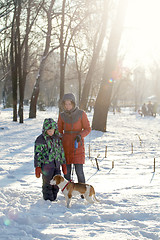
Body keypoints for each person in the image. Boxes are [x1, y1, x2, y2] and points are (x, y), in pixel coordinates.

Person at [58, 93, 91, 188]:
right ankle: (68, 191)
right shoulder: (62, 115)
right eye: (66, 104)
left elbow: (88, 128)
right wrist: (59, 139)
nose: (67, 106)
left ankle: (83, 191)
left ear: (73, 103)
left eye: (69, 104)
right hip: (66, 145)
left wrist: (80, 135)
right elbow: (59, 130)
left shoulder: (81, 114)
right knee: (66, 172)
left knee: (79, 171)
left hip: (77, 145)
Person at [34, 118, 67, 201]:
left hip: (56, 165)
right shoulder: (40, 139)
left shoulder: (57, 138)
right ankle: (48, 199)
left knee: (57, 182)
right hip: (46, 166)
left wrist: (63, 164)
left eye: (52, 130)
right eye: (49, 131)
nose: (51, 132)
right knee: (48, 182)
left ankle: (54, 197)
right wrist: (37, 167)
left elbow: (61, 152)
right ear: (45, 130)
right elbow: (37, 155)